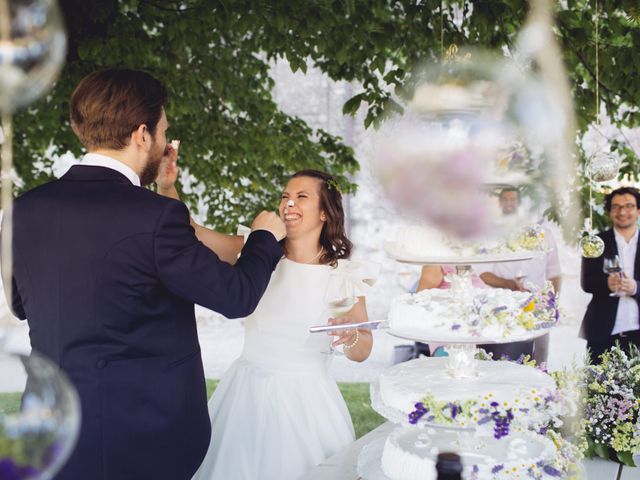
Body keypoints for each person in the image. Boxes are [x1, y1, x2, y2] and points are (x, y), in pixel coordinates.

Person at [3, 69, 286, 480]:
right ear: (141, 135)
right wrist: (263, 238)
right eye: (162, 130)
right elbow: (236, 296)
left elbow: (20, 305)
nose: (163, 141)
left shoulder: (22, 211)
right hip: (141, 438)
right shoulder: (155, 219)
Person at [156, 165, 375, 480]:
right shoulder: (256, 250)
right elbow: (191, 232)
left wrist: (351, 335)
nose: (288, 203)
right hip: (246, 394)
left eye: (301, 197)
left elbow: (363, 349)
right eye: (285, 196)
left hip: (309, 404)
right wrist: (166, 187)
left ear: (325, 212)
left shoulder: (345, 274)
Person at [478, 187, 561, 363]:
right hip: (502, 308)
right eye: (505, 199)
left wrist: (552, 304)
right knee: (505, 359)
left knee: (539, 360)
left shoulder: (544, 234)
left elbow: (554, 272)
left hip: (538, 307)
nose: (509, 202)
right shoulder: (491, 235)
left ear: (520, 203)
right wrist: (510, 284)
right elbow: (483, 274)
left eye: (513, 199)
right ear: (500, 203)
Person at [581, 186, 640, 363]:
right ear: (609, 212)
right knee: (598, 387)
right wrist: (607, 284)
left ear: (638, 210)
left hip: (637, 331)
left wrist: (636, 286)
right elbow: (586, 282)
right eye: (616, 206)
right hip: (602, 332)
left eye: (629, 206)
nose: (622, 211)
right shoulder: (595, 242)